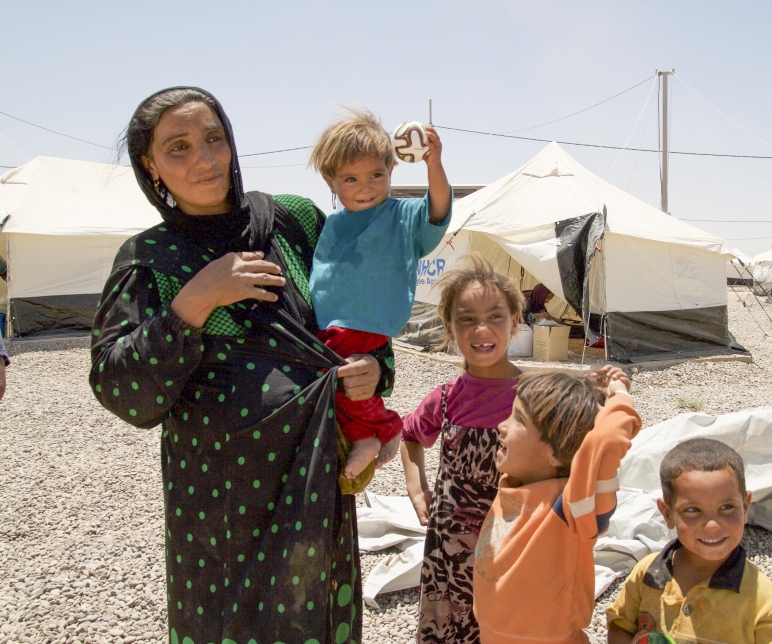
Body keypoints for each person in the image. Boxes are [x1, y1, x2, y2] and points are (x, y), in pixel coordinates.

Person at [89, 87, 393, 643]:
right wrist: (196, 300)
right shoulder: (148, 260)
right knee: (224, 622)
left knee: (316, 613)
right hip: (217, 502)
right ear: (149, 166)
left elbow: (362, 306)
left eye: (214, 138)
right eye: (177, 148)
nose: (204, 159)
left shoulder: (292, 222)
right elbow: (120, 389)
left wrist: (372, 365)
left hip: (312, 477)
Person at [308, 107, 451, 484]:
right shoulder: (333, 223)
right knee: (333, 380)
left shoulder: (400, 216)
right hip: (333, 324)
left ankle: (378, 430)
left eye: (376, 174)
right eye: (350, 178)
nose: (366, 186)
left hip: (365, 321)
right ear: (331, 181)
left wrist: (433, 165)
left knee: (337, 376)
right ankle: (370, 429)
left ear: (391, 171)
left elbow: (437, 211)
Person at [401, 253, 525, 643]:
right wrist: (417, 488)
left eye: (495, 316)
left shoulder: (534, 397)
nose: (481, 328)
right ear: (450, 327)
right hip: (449, 556)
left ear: (515, 322)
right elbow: (409, 435)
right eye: (466, 318)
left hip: (511, 546)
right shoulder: (447, 398)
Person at [473, 367, 642, 643]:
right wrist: (582, 386)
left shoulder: (572, 507)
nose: (502, 426)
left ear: (555, 453)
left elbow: (606, 440)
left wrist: (618, 394)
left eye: (518, 420)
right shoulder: (515, 480)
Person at [606, 438, 772, 643]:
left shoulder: (760, 598)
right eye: (693, 510)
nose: (712, 525)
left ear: (745, 507)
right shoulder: (647, 574)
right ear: (667, 514)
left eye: (727, 507)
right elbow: (620, 625)